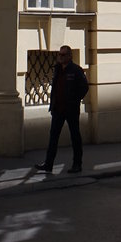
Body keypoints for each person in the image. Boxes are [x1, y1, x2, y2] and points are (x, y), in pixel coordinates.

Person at [35, 45, 89, 175]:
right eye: (59, 55)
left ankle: (77, 164)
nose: (60, 57)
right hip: (58, 109)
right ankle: (48, 164)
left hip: (71, 109)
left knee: (75, 136)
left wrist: (75, 100)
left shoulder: (76, 70)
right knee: (53, 137)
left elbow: (84, 87)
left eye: (63, 55)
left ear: (70, 56)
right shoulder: (57, 69)